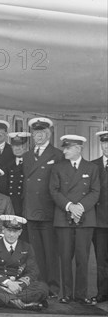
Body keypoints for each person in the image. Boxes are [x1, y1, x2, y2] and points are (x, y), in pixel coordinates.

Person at [49, 135, 100, 304]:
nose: (64, 151)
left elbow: (95, 191)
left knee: (82, 258)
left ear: (78, 148)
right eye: (64, 148)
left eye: (67, 148)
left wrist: (80, 208)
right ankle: (66, 293)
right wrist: (70, 206)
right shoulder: (58, 168)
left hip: (85, 218)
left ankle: (81, 294)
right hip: (64, 218)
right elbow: (54, 191)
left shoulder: (91, 168)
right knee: (64, 257)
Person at [22, 117, 63, 297]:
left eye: (41, 133)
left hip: (48, 210)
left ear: (48, 134)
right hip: (31, 209)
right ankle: (40, 285)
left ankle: (53, 287)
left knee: (50, 252)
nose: (38, 136)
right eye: (35, 133)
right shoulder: (27, 155)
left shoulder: (57, 155)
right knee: (36, 253)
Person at [0, 215, 49, 311]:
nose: (11, 234)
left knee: (43, 288)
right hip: (1, 285)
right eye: (9, 230)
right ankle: (23, 304)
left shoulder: (27, 247)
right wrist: (8, 283)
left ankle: (6, 300)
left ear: (20, 232)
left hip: (19, 287)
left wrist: (18, 285)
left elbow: (33, 271)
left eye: (15, 231)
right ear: (3, 230)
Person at [92, 130, 108, 303]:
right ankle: (103, 292)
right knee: (101, 260)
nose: (107, 146)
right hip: (99, 222)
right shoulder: (93, 166)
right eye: (104, 143)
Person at [6, 132, 30, 220]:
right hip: (12, 206)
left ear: (27, 146)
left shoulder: (32, 164)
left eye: (21, 145)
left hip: (27, 206)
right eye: (15, 145)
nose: (18, 148)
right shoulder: (8, 165)